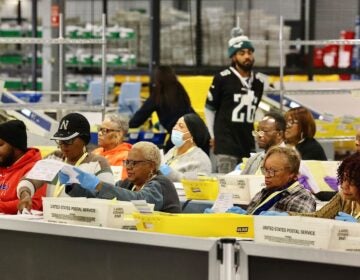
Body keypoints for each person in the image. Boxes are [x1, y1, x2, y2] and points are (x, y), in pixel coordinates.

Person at [17, 113, 114, 210]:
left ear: (84, 139)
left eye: (68, 140)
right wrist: (25, 194)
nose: (63, 145)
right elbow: (29, 180)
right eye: (60, 140)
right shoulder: (54, 158)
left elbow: (109, 196)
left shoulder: (98, 164)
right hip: (53, 218)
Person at [59, 141, 181, 213]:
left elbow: (141, 201)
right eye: (127, 162)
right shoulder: (127, 184)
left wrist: (99, 184)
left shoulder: (161, 183)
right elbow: (103, 196)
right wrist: (73, 185)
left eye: (134, 163)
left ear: (151, 166)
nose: (128, 167)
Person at [205, 34, 265, 173]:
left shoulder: (258, 82)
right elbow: (209, 108)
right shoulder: (222, 78)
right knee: (227, 187)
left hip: (248, 143)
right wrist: (212, 136)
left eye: (249, 53)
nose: (247, 56)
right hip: (226, 144)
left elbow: (254, 111)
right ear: (233, 57)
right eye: (242, 53)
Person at [261, 152, 360, 222]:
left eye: (351, 182)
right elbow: (320, 216)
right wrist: (288, 216)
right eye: (343, 179)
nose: (344, 186)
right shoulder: (344, 198)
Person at [225, 146, 316, 215]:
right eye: (265, 170)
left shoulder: (302, 198)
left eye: (273, 171)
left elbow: (297, 231)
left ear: (292, 174)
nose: (267, 176)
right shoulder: (264, 192)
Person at [129, 65, 194, 152]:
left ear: (157, 79)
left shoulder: (158, 95)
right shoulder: (180, 89)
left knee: (168, 160)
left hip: (179, 136)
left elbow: (136, 121)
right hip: (197, 132)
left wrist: (125, 125)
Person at [0, 120, 46, 214]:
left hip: (17, 227)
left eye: (0, 145)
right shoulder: (3, 164)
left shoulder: (36, 169)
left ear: (15, 146)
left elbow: (32, 204)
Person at [160, 113, 212, 182]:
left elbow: (191, 183)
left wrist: (162, 167)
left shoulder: (200, 160)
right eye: (176, 124)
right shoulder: (172, 151)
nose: (174, 128)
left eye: (181, 126)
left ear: (192, 134)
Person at [92, 113, 132, 181]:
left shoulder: (126, 157)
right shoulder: (96, 152)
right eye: (99, 129)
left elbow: (120, 186)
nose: (99, 133)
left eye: (104, 130)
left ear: (119, 134)